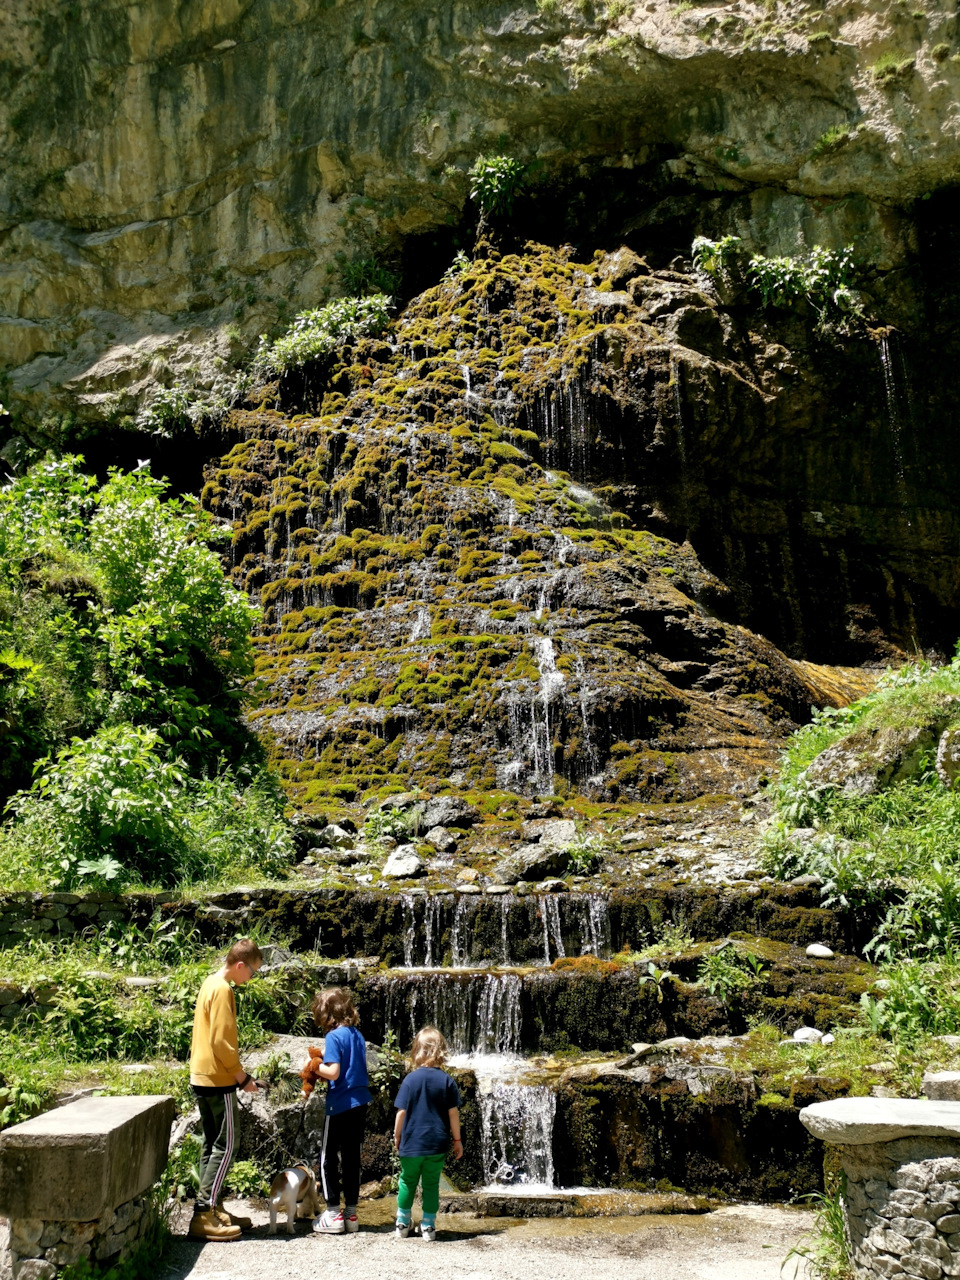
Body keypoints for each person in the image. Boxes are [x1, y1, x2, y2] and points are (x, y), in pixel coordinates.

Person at [188, 937, 263, 1242]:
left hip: (201, 1076)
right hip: (218, 1080)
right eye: (253, 972)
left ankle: (214, 1207)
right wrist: (242, 1077)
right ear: (240, 965)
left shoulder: (209, 982)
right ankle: (204, 1213)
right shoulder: (223, 990)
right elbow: (221, 1042)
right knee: (227, 1144)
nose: (252, 977)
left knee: (211, 1143)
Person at [310, 987, 372, 1235]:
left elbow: (334, 1072)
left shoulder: (333, 1037)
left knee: (327, 1157)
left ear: (326, 1016)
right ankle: (351, 1213)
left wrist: (314, 1067)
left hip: (338, 1106)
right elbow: (350, 1063)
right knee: (352, 1158)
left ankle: (333, 1212)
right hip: (360, 1103)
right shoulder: (356, 1034)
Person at [393, 1026, 463, 1243]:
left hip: (412, 1142)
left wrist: (397, 1136)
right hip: (436, 1144)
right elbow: (453, 1114)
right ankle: (428, 1226)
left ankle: (403, 1223)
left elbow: (401, 1113)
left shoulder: (410, 1080)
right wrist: (457, 1140)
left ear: (420, 1052)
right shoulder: (447, 1081)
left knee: (407, 1181)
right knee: (431, 1184)